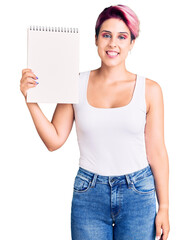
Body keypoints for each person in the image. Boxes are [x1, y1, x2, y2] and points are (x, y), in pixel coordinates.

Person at [20, 4, 170, 240]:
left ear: (131, 43)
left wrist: (164, 207)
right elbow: (54, 140)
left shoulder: (150, 90)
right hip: (89, 194)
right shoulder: (75, 83)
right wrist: (31, 101)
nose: (113, 44)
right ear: (96, 39)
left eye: (122, 37)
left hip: (138, 194)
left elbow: (158, 152)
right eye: (106, 35)